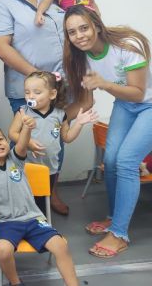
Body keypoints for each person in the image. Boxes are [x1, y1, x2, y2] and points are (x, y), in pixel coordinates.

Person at [0, 123, 109, 286]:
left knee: (60, 244)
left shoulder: (15, 158)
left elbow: (21, 144)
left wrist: (27, 128)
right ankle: (15, 285)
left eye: (0, 139)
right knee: (2, 250)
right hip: (6, 222)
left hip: (33, 218)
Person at [63, 5, 152, 257]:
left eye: (84, 28)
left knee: (127, 160)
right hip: (126, 104)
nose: (80, 36)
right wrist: (56, 117)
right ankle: (113, 218)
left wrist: (105, 84)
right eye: (72, 32)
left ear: (96, 25)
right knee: (109, 159)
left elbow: (139, 93)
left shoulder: (128, 45)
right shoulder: (81, 57)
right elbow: (86, 102)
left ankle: (119, 234)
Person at [0, 0, 69, 215]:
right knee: (26, 143)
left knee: (54, 138)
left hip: (59, 88)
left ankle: (51, 192)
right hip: (29, 89)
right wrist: (38, 76)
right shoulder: (4, 4)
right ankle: (25, 200)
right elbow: (1, 47)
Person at [8, 71, 97, 215]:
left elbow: (67, 137)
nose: (30, 96)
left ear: (52, 94)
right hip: (25, 167)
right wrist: (28, 142)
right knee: (23, 199)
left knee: (42, 202)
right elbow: (12, 133)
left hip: (49, 169)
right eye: (27, 92)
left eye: (37, 92)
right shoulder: (23, 111)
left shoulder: (60, 115)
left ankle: (38, 224)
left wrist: (79, 123)